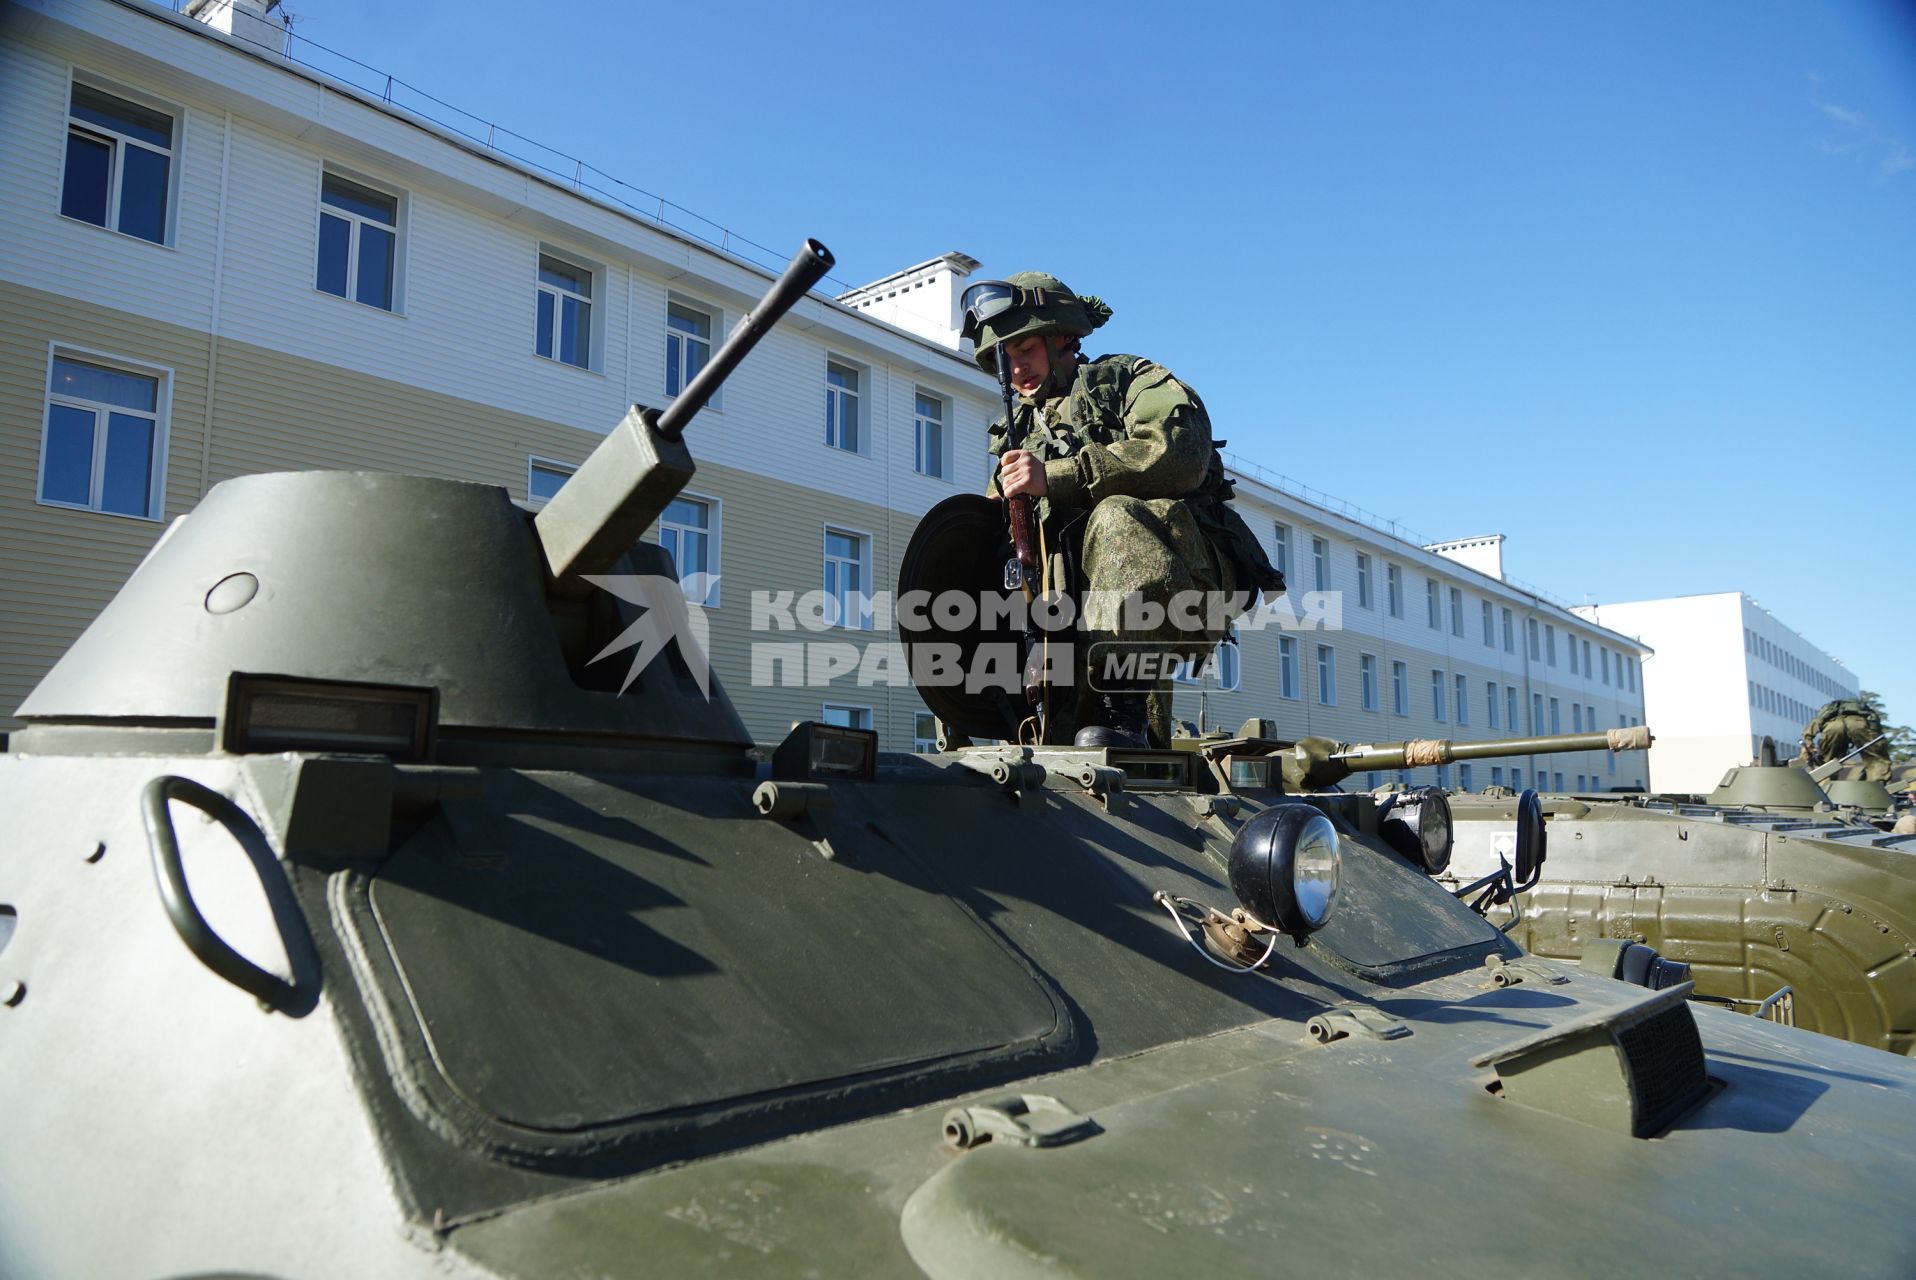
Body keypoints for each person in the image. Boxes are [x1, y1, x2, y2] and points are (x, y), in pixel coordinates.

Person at [962, 272, 1282, 748]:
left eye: (1025, 348)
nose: (1016, 367)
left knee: (1116, 516)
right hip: (1070, 617)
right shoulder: (1020, 436)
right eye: (1005, 359)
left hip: (1184, 573)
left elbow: (1181, 454)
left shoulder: (1130, 381)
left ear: (1062, 336)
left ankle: (1123, 706)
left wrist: (1057, 477)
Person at [1802, 698, 1891, 782]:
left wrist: (1808, 743)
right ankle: (1877, 784)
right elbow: (1875, 728)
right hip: (1858, 724)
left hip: (1833, 726)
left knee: (1827, 762)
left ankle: (1826, 783)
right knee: (1876, 759)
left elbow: (1810, 730)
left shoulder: (1829, 713)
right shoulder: (1863, 712)